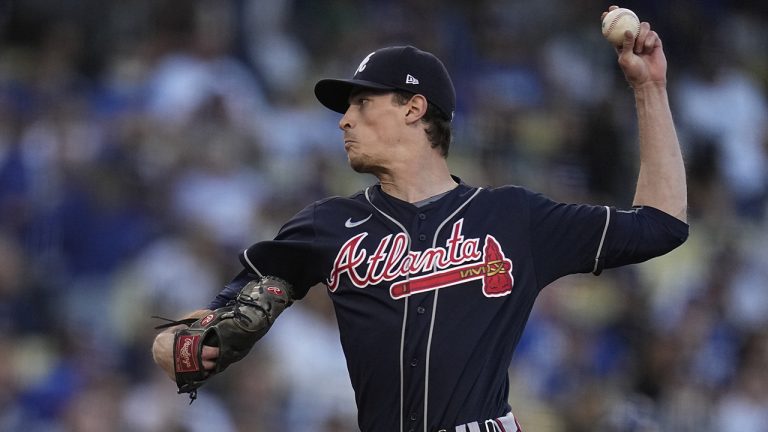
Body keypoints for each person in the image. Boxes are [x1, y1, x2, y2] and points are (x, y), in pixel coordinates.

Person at [152, 6, 688, 432]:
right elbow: (184, 345)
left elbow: (661, 222)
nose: (343, 120)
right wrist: (189, 345)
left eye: (362, 103)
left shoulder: (512, 217)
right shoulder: (326, 225)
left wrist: (648, 90)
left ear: (413, 108)